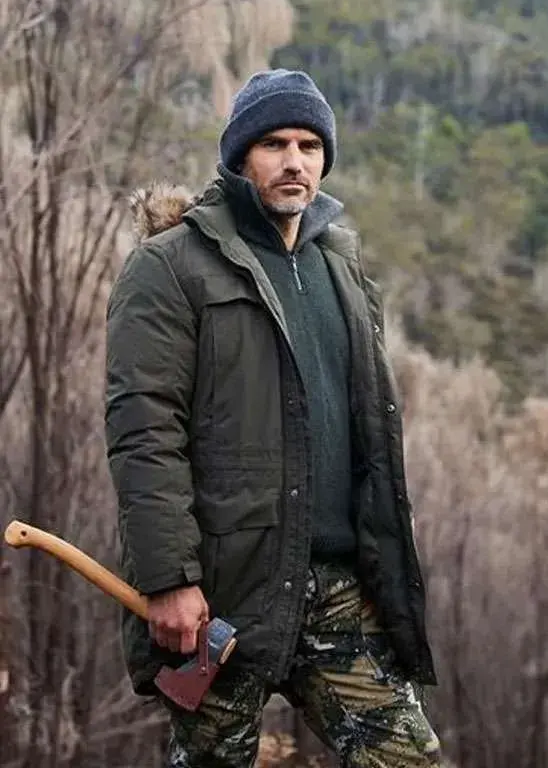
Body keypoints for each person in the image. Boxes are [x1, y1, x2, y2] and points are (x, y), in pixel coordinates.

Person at [105, 68, 441, 767]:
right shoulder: (170, 267)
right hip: (224, 594)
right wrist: (168, 578)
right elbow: (144, 432)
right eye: (274, 144)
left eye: (310, 146)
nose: (295, 161)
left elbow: (371, 434)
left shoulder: (342, 268)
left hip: (340, 589)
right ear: (239, 156)